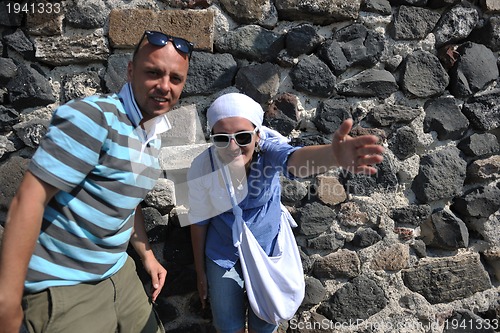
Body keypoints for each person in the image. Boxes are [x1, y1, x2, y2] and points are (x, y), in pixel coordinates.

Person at [0, 30, 193, 333]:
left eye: (176, 79)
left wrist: (146, 256)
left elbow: (128, 204)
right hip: (66, 284)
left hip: (119, 271)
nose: (164, 86)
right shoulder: (94, 117)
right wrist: (7, 303)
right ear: (130, 71)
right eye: (153, 73)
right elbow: (28, 200)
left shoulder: (150, 133)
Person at [187, 92, 385, 333]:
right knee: (228, 326)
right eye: (221, 138)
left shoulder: (268, 151)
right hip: (224, 252)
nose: (232, 147)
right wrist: (200, 272)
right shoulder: (203, 166)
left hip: (267, 248)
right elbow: (199, 221)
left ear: (258, 135)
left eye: (242, 136)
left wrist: (333, 156)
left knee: (266, 322)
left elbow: (294, 160)